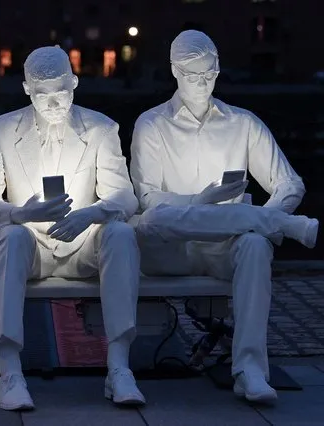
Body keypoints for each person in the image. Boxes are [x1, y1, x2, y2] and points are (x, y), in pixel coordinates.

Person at [130, 30, 319, 404]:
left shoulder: (243, 124)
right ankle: (282, 227)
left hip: (223, 249)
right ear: (174, 70)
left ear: (218, 69)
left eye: (210, 74)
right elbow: (148, 198)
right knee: (154, 219)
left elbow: (290, 184)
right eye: (192, 74)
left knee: (253, 243)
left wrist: (258, 218)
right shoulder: (151, 125)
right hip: (170, 249)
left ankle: (249, 368)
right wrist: (201, 200)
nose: (202, 83)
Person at [0, 46, 144, 411]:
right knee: (10, 237)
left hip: (83, 247)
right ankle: (10, 372)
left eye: (61, 92)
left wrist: (90, 215)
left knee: (121, 232)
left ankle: (119, 368)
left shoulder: (101, 128)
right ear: (26, 90)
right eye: (42, 95)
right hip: (31, 248)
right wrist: (21, 214)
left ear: (75, 83)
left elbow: (126, 198)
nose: (52, 103)